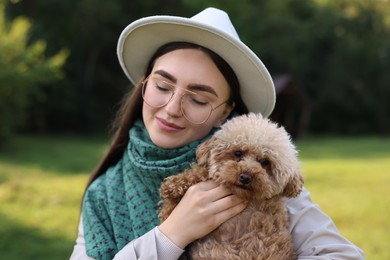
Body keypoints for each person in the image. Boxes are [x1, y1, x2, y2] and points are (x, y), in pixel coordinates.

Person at [70, 7, 365, 260]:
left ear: (226, 111)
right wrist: (171, 235)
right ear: (144, 85)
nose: (172, 108)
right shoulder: (102, 195)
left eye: (198, 99)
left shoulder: (266, 185)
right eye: (162, 86)